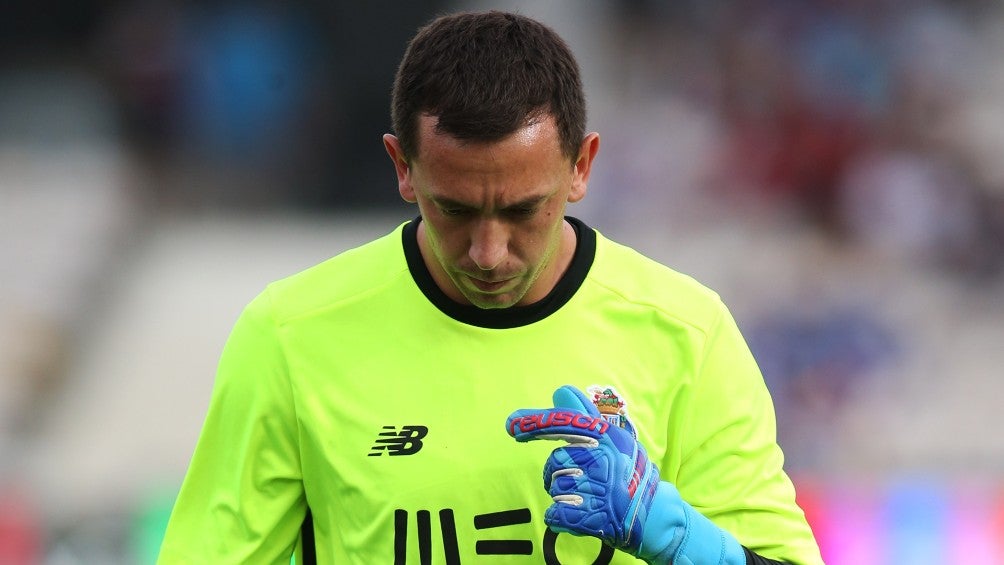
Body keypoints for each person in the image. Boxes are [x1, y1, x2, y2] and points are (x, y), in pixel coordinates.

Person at [158, 10, 823, 565]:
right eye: (454, 208)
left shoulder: (687, 333)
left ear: (581, 166)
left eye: (521, 210)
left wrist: (680, 538)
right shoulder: (290, 336)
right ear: (403, 167)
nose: (488, 251)